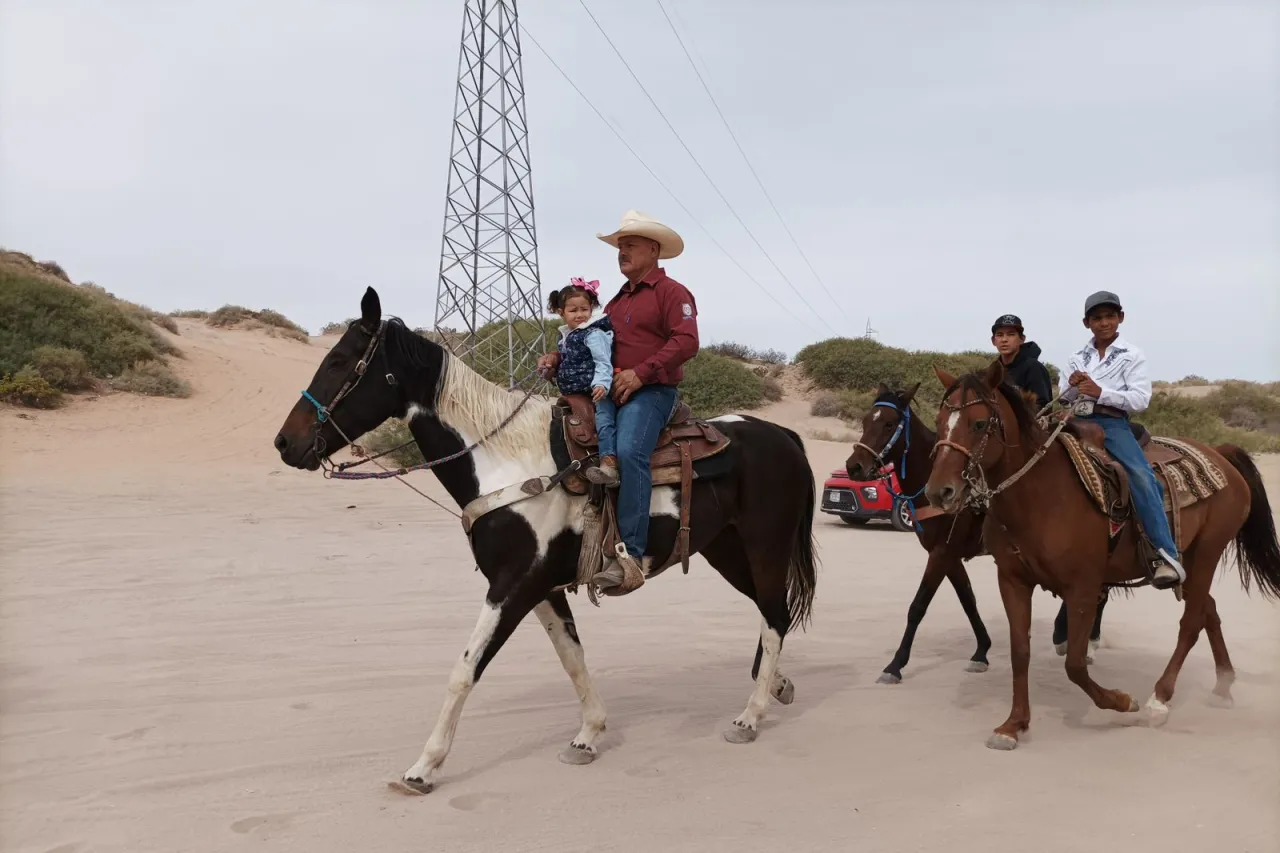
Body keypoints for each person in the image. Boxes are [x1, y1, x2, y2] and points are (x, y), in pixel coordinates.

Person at [538, 210, 699, 596]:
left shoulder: (672, 292)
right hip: (609, 391)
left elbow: (687, 342)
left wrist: (641, 373)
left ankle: (632, 557)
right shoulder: (614, 302)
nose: (621, 252)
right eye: (619, 247)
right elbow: (592, 345)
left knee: (627, 452)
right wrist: (557, 358)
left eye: (629, 245)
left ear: (653, 249)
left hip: (652, 391)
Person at [1059, 290, 1184, 590]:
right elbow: (1063, 396)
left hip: (1111, 424)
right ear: (1086, 323)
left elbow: (1140, 400)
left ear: (1120, 318)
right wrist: (1073, 388)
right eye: (1097, 318)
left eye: (1109, 316)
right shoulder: (1077, 357)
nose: (1104, 323)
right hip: (1073, 420)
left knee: (1142, 476)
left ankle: (1164, 554)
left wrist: (1100, 392)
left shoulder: (1132, 355)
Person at [548, 276, 616, 461]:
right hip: (575, 393)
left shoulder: (593, 334)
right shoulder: (567, 336)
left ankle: (608, 458)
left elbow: (603, 361)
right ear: (562, 312)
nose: (579, 314)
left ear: (591, 309)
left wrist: (602, 385)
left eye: (584, 309)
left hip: (595, 391)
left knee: (604, 420)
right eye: (573, 310)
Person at [990, 313, 1054, 410]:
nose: (1004, 339)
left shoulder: (1034, 368)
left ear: (1022, 339)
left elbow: (1043, 406)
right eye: (999, 335)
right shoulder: (992, 370)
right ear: (993, 341)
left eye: (1011, 334)